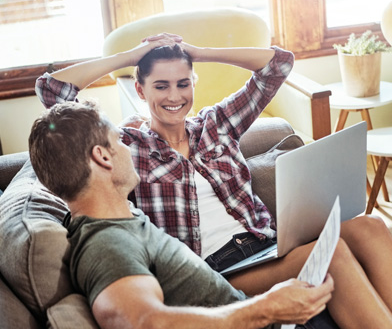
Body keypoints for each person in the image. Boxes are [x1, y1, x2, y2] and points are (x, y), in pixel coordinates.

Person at [36, 33, 392, 328]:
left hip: (267, 245)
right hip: (222, 270)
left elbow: (278, 64)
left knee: (372, 226)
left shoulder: (216, 124)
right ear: (141, 91)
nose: (174, 96)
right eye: (160, 86)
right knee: (332, 254)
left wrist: (200, 52)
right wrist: (131, 55)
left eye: (182, 83)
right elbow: (53, 92)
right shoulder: (129, 147)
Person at [28, 100, 334, 329]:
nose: (130, 148)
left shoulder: (120, 213)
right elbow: (143, 321)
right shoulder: (106, 243)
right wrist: (267, 307)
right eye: (120, 140)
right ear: (102, 156)